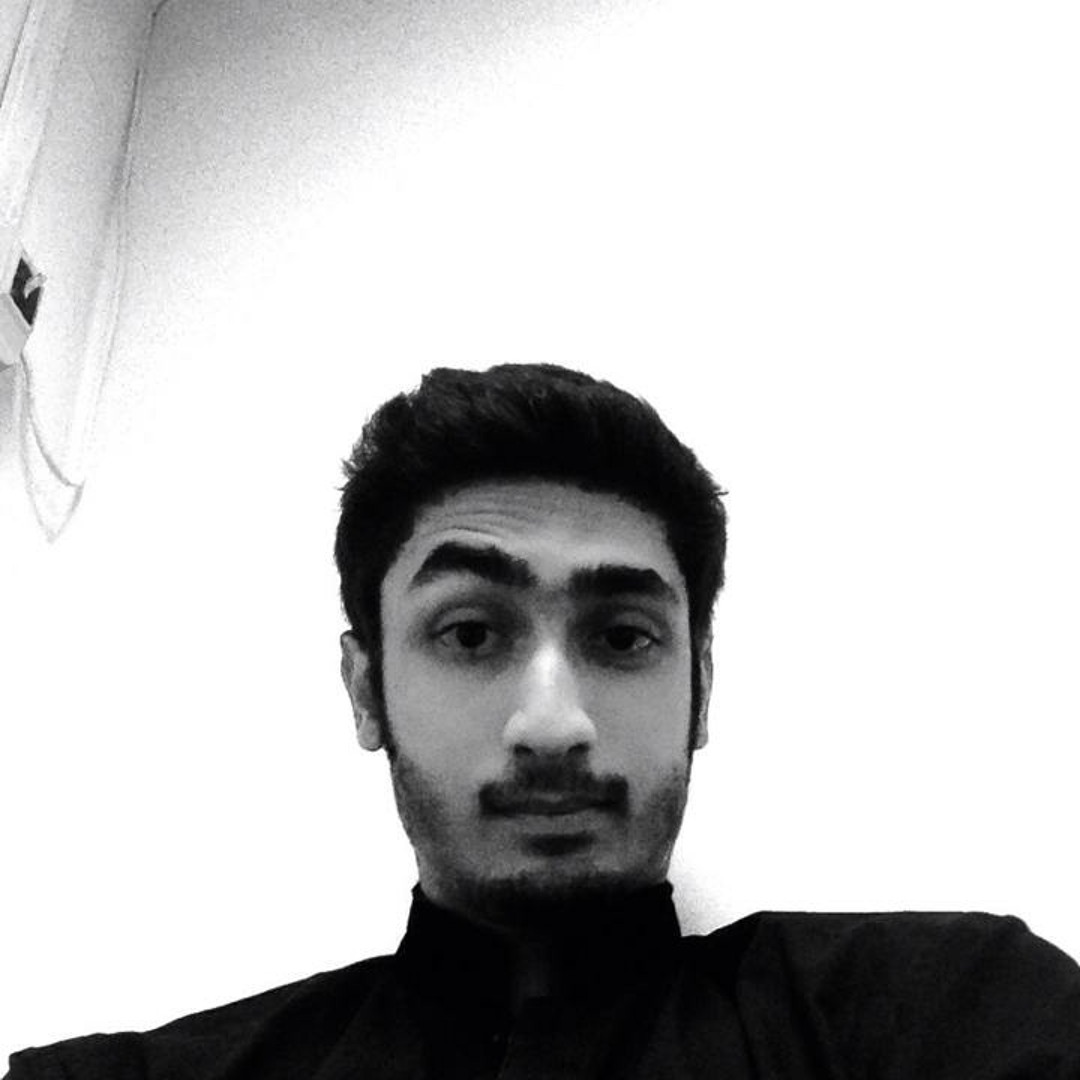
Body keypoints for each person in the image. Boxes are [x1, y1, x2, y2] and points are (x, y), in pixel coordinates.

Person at [7, 364, 1080, 1078]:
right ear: (364, 689)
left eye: (623, 637)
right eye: (472, 633)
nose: (554, 723)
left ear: (701, 687)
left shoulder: (951, 1015)